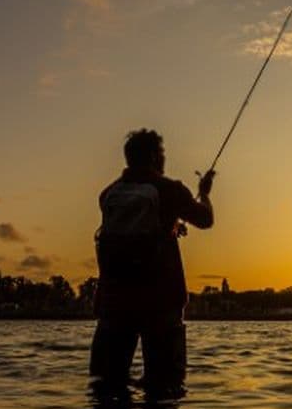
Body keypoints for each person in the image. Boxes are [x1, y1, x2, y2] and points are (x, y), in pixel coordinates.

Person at [90, 129, 214, 393]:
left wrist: (172, 225)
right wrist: (204, 193)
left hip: (113, 305)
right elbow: (205, 220)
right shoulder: (171, 190)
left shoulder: (108, 194)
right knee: (165, 389)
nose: (164, 158)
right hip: (161, 305)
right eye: (162, 153)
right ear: (153, 157)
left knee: (106, 388)